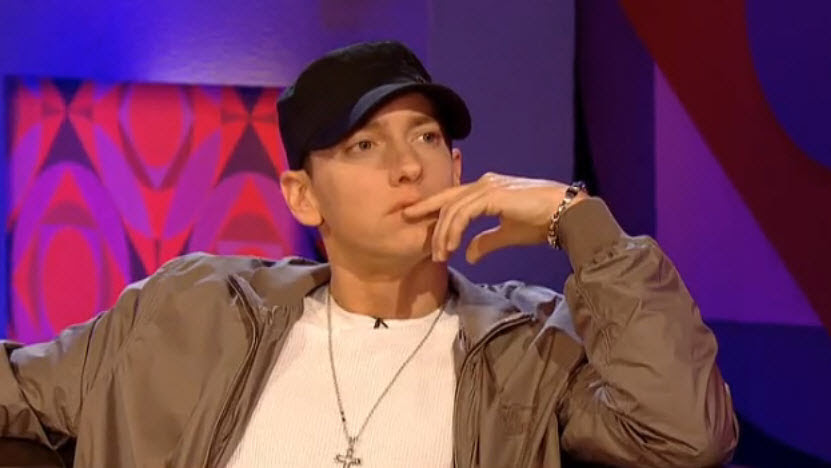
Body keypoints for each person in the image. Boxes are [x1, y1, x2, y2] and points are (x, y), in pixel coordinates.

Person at [0, 41, 738, 467]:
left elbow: (684, 438)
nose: (409, 167)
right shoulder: (191, 311)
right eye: (364, 145)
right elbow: (19, 391)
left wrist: (581, 222)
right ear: (302, 197)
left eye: (426, 138)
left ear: (458, 168)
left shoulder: (531, 347)